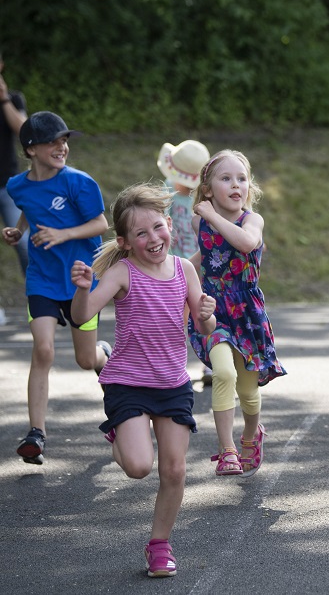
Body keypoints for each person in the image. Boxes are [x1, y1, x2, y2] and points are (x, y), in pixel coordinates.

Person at [70, 183, 216, 578]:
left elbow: (204, 327)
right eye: (141, 233)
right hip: (129, 383)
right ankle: (120, 431)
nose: (153, 239)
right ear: (126, 241)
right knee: (137, 467)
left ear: (169, 224)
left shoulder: (185, 269)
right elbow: (83, 315)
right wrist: (83, 290)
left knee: (174, 470)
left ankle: (159, 545)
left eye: (157, 228)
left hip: (172, 384)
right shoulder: (122, 272)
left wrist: (207, 312)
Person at [3, 111, 111, 465]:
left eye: (64, 140)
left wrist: (62, 233)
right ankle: (36, 433)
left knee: (85, 359)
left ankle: (102, 357)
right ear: (31, 149)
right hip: (43, 280)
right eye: (53, 141)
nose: (61, 147)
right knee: (44, 350)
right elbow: (27, 208)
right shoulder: (17, 185)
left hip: (81, 281)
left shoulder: (78, 183)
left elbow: (100, 222)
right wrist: (19, 231)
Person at [188, 149, 286, 477]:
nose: (236, 185)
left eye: (241, 179)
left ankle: (251, 434)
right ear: (207, 189)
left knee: (248, 392)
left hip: (246, 311)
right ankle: (227, 449)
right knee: (224, 374)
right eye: (226, 178)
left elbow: (245, 244)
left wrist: (212, 217)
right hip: (213, 309)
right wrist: (176, 272)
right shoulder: (199, 221)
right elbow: (205, 255)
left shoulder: (251, 220)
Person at [157, 139, 212, 385]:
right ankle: (172, 365)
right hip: (174, 268)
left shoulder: (202, 203)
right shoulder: (166, 194)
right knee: (177, 319)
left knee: (202, 316)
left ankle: (210, 363)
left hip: (195, 269)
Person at [0, 50, 29, 285]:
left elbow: (24, 132)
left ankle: (38, 292)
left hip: (8, 184)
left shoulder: (14, 98)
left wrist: (3, 98)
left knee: (23, 241)